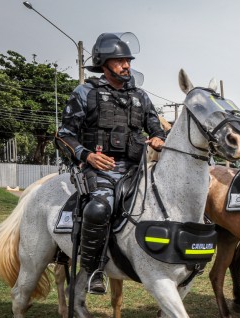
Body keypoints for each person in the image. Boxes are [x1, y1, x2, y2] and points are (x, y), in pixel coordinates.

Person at [57, 33, 166, 294]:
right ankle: (94, 268)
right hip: (100, 169)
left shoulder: (140, 96)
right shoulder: (85, 92)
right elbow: (64, 134)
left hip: (136, 169)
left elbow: (155, 127)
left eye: (128, 60)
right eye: (119, 61)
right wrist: (87, 155)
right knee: (99, 208)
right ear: (103, 64)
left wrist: (159, 138)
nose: (127, 65)